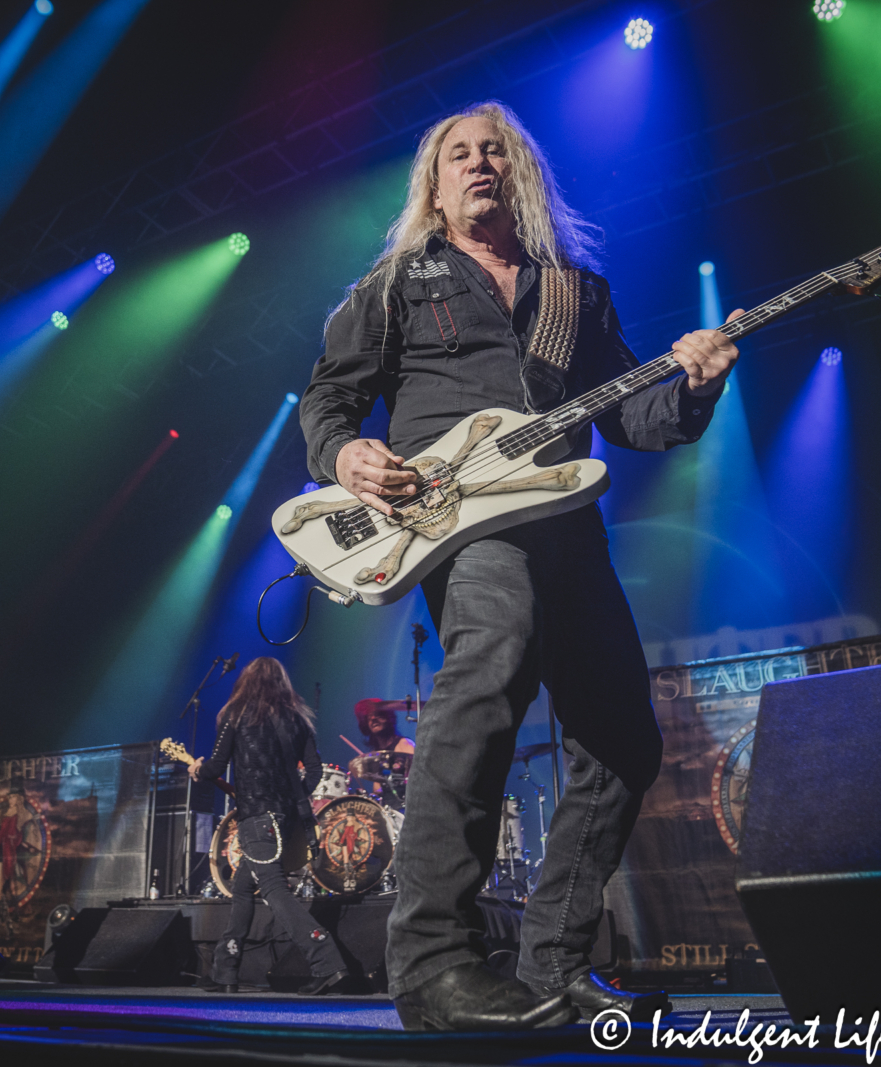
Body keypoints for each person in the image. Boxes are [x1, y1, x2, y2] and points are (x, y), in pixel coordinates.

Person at [299, 101, 741, 1030]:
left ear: (521, 171)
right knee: (491, 660)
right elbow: (330, 399)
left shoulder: (575, 291)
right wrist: (346, 456)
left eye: (493, 150)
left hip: (568, 521)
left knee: (624, 734)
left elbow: (632, 418)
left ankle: (553, 964)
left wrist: (696, 385)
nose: (477, 162)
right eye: (456, 153)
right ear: (434, 180)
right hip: (454, 518)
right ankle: (430, 964)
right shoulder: (398, 282)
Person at [190, 657, 349, 996]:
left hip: (256, 818)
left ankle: (327, 962)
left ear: (245, 682)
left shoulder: (235, 714)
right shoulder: (298, 719)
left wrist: (198, 770)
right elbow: (316, 771)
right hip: (285, 817)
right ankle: (225, 971)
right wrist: (295, 800)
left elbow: (216, 765)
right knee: (244, 887)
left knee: (275, 890)